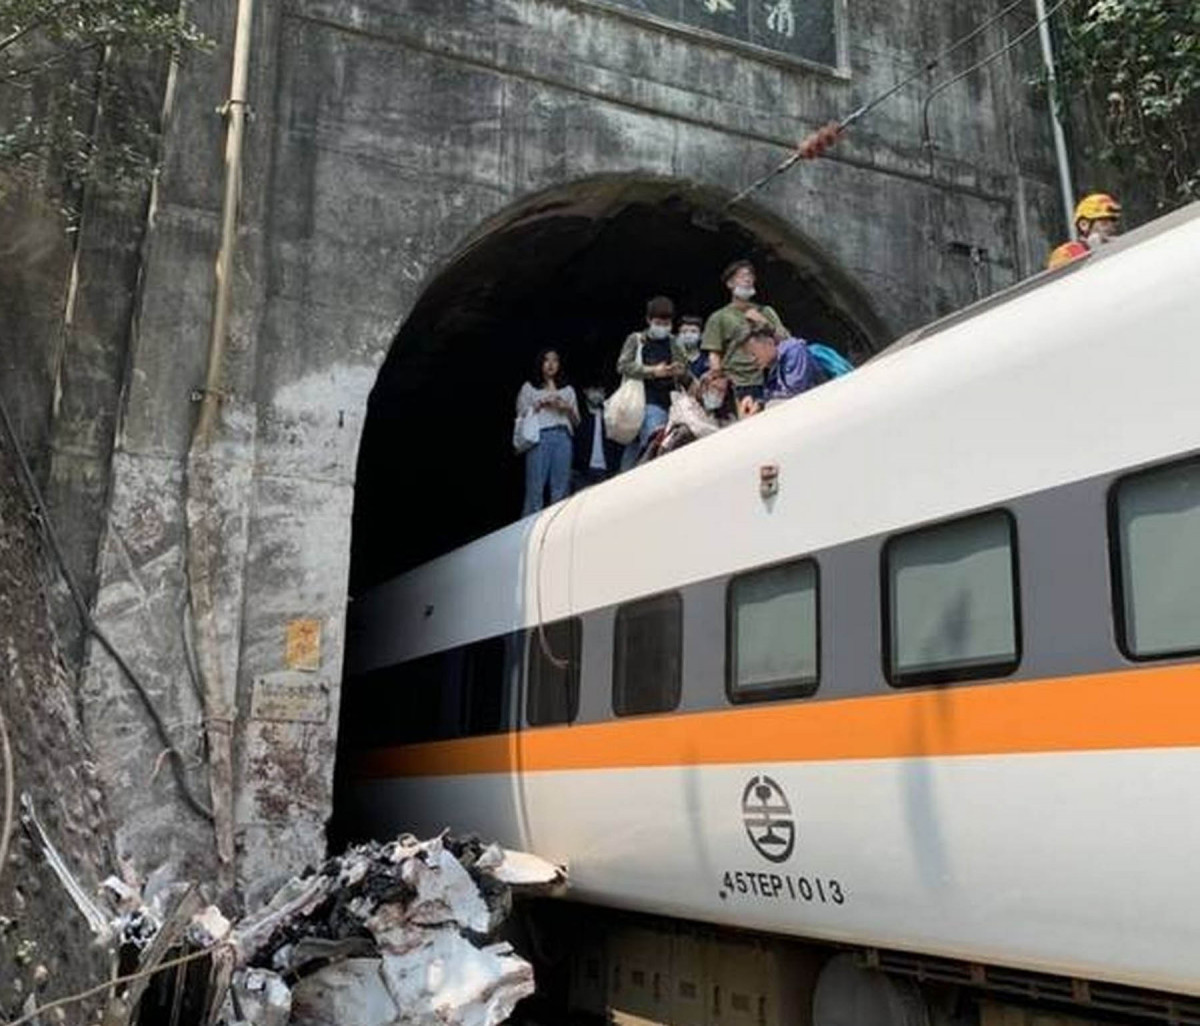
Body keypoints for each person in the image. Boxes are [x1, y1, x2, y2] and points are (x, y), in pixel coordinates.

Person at [615, 296, 690, 471]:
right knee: (653, 441)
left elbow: (684, 367)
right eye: (658, 322)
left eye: (666, 323)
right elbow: (623, 365)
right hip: (645, 401)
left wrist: (678, 371)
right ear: (649, 320)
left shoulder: (674, 342)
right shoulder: (637, 340)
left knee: (638, 447)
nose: (662, 327)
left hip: (670, 401)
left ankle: (624, 479)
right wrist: (652, 371)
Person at [701, 260, 788, 405]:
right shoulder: (719, 317)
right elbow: (714, 353)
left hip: (771, 379)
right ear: (730, 284)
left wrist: (765, 324)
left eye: (750, 276)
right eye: (741, 276)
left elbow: (786, 340)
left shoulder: (766, 311)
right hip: (738, 383)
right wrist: (718, 378)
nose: (748, 280)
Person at [516, 349, 579, 516]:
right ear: (540, 364)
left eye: (555, 361)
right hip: (540, 437)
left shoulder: (567, 390)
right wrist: (539, 404)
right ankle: (529, 528)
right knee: (535, 487)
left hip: (563, 437)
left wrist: (566, 408)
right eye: (546, 360)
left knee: (561, 487)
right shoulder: (529, 387)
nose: (551, 364)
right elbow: (521, 414)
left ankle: (557, 528)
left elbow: (576, 421)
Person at [1047, 193, 1122, 270]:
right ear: (1084, 225)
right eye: (1104, 223)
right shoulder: (1066, 253)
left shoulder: (1120, 247)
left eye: (1113, 224)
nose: (1110, 228)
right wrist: (1095, 252)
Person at [572, 384, 621, 491]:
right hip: (582, 470)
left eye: (601, 390)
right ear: (585, 391)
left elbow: (617, 443)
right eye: (594, 389)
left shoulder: (610, 416)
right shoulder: (578, 415)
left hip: (606, 470)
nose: (598, 394)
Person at [676, 315, 709, 380]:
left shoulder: (707, 360)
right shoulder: (673, 357)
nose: (688, 335)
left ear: (701, 335)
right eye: (684, 332)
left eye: (693, 331)